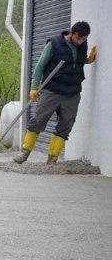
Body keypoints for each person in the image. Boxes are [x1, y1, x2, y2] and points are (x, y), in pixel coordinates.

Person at [14, 21, 97, 164]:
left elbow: (77, 62)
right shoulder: (54, 44)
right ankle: (25, 153)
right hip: (52, 90)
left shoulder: (83, 45)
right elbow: (40, 66)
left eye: (83, 39)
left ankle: (52, 160)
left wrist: (89, 59)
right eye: (78, 38)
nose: (80, 42)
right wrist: (34, 87)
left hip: (73, 92)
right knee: (39, 120)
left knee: (66, 125)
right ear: (71, 33)